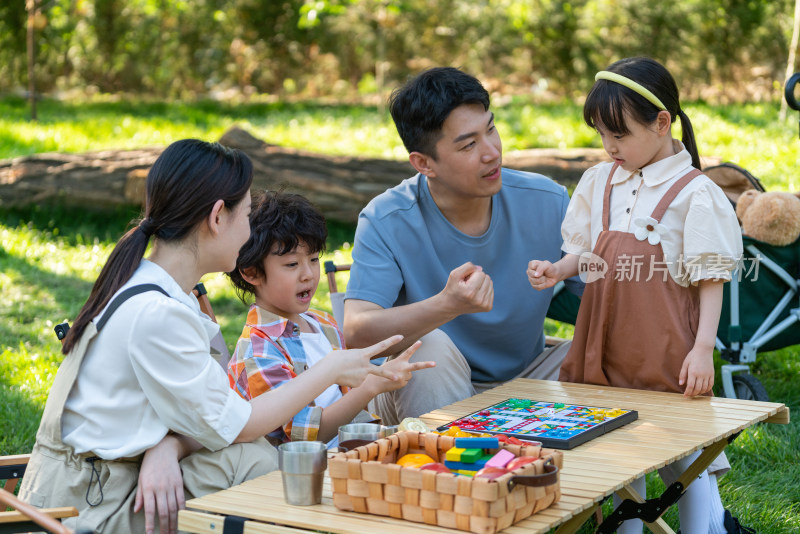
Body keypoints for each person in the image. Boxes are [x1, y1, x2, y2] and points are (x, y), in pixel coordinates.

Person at [19, 139, 414, 534]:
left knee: (251, 455)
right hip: (85, 512)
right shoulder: (160, 313)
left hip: (95, 487)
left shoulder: (149, 285)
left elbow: (208, 411)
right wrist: (328, 369)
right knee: (256, 460)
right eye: (245, 214)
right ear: (217, 217)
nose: (248, 230)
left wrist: (166, 447)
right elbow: (239, 423)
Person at [527, 57, 746, 534]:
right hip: (605, 341)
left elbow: (711, 278)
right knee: (617, 442)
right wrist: (557, 269)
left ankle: (702, 530)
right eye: (601, 135)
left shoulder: (695, 193)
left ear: (662, 122)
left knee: (686, 450)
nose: (609, 147)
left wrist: (703, 349)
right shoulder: (599, 181)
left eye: (619, 134)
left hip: (669, 346)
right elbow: (587, 253)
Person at [343, 67, 582, 426]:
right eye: (469, 144)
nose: (492, 152)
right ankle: (450, 478)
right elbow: (357, 332)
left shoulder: (546, 200)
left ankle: (631, 478)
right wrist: (446, 305)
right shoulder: (386, 219)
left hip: (530, 377)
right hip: (429, 388)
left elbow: (601, 297)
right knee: (429, 349)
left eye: (491, 129)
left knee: (600, 351)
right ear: (424, 164)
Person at [226, 191, 434, 447]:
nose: (308, 275)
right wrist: (370, 386)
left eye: (313, 260)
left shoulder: (322, 323)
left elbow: (347, 409)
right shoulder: (258, 350)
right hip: (304, 471)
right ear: (251, 273)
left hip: (354, 449)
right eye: (292, 264)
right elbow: (305, 438)